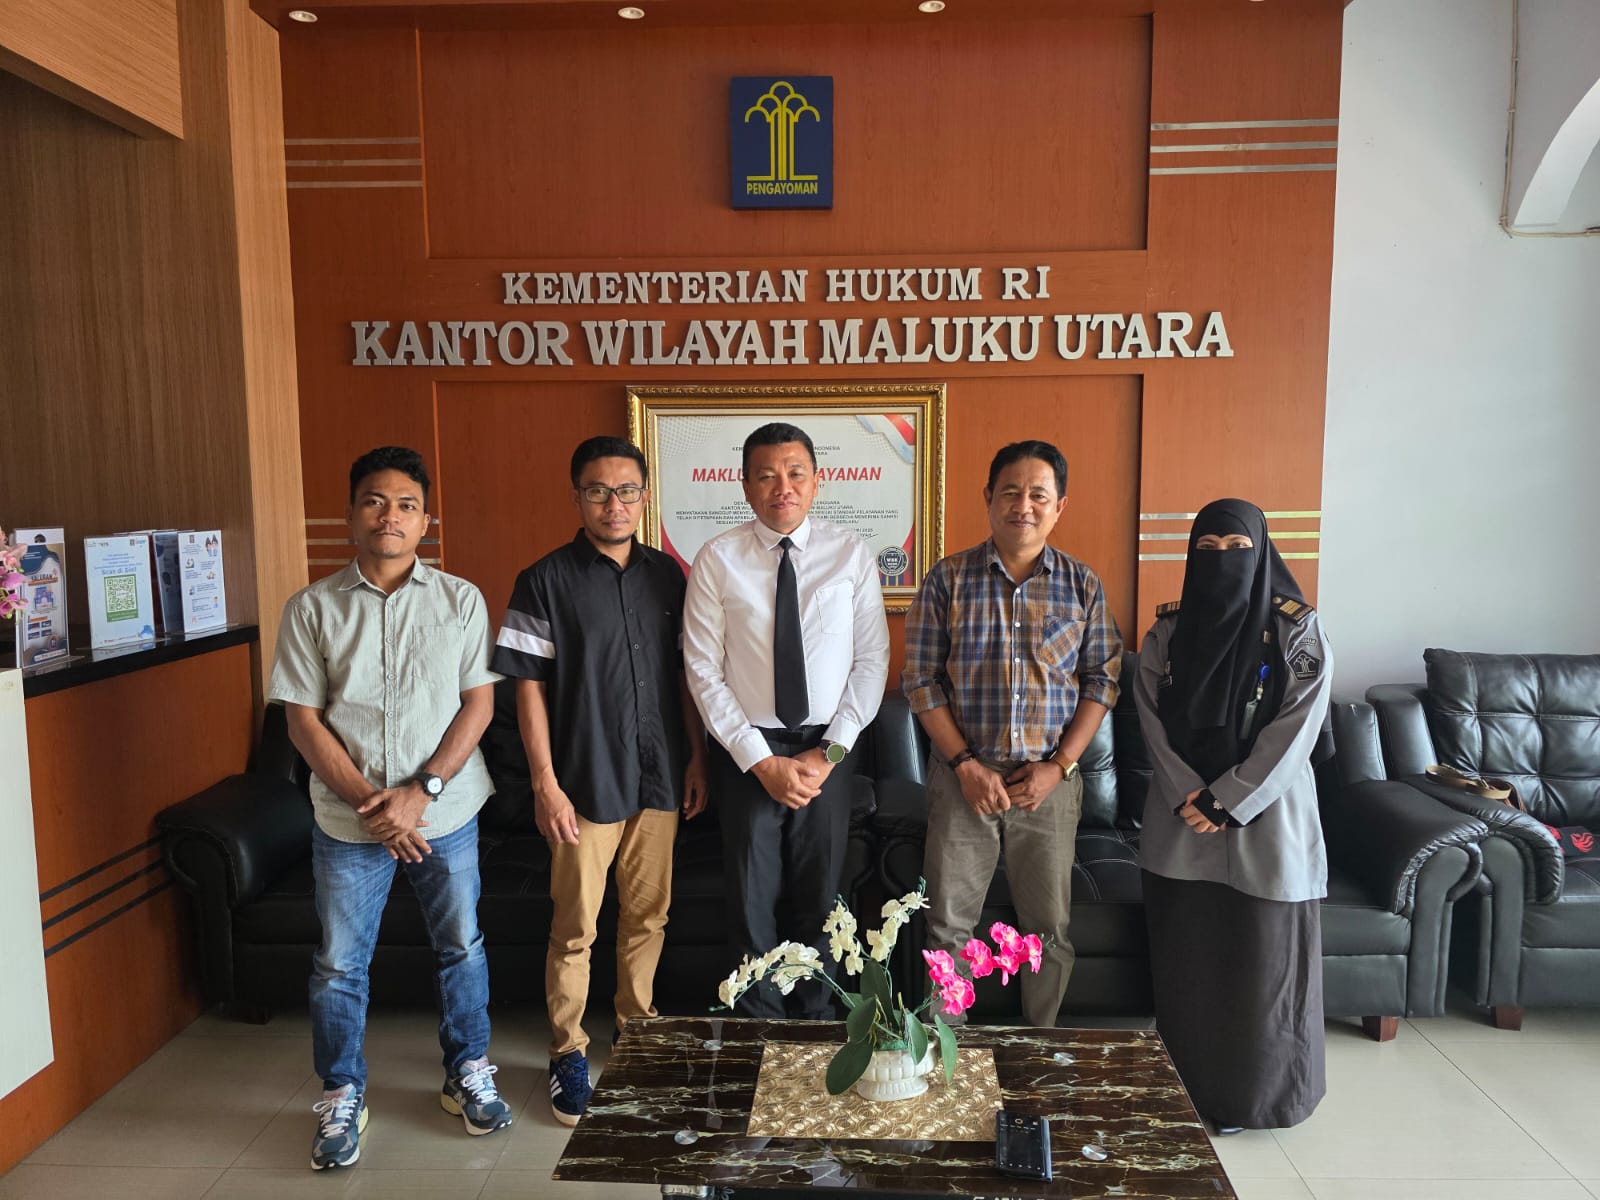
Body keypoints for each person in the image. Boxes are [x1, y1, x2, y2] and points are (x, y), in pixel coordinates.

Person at [268, 446, 511, 1170]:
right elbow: (303, 721)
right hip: (348, 822)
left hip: (447, 811)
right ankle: (342, 1091)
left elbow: (478, 706)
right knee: (338, 964)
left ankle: (466, 1071)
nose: (390, 516)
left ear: (425, 520)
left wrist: (420, 792)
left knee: (461, 945)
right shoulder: (311, 608)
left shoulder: (460, 600)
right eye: (375, 501)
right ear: (351, 514)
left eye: (406, 504)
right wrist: (375, 807)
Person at [491, 435, 708, 1127]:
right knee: (575, 927)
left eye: (627, 491)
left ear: (644, 498)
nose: (614, 504)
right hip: (584, 782)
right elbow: (526, 687)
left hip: (660, 776)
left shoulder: (669, 576)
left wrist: (696, 759)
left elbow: (686, 678)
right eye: (598, 491)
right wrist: (545, 784)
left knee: (649, 917)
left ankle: (637, 1030)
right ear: (577, 497)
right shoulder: (543, 580)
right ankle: (567, 1050)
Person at [903, 440, 1122, 1028]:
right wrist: (965, 765)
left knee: (1047, 930)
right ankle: (944, 1055)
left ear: (1059, 506)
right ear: (988, 498)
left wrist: (1060, 766)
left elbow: (1103, 681)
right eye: (1011, 492)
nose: (1023, 505)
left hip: (1047, 784)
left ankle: (1037, 1050)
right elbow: (920, 680)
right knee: (948, 928)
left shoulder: (1082, 584)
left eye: (1038, 495)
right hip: (963, 782)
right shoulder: (948, 579)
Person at [1133, 498, 1332, 1133]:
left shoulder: (1297, 630)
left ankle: (1262, 1100)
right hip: (1181, 823)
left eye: (1237, 549)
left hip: (1269, 824)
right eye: (1208, 549)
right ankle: (1185, 1092)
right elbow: (1150, 718)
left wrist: (1228, 800)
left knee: (1265, 966)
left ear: (1263, 551)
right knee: (1190, 963)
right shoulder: (1167, 634)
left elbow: (1298, 725)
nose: (1222, 560)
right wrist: (1191, 794)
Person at [682, 422, 890, 1019]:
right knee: (751, 905)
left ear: (816, 482)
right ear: (745, 485)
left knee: (823, 904)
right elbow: (702, 669)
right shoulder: (718, 559)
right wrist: (760, 761)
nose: (783, 487)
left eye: (796, 473)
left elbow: (872, 662)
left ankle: (818, 1028)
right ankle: (759, 1034)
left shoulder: (850, 554)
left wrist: (830, 753)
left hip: (829, 750)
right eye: (767, 475)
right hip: (747, 753)